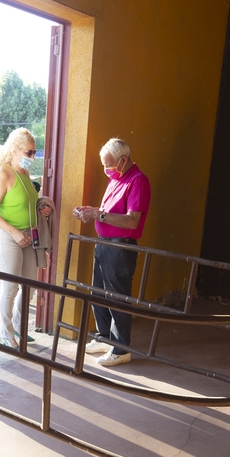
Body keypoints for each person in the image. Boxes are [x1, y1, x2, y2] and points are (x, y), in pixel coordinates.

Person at [72, 138, 151, 366]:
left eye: (109, 164)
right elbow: (109, 211)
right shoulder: (116, 178)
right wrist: (92, 211)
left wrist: (98, 215)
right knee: (98, 292)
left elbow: (132, 221)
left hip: (120, 245)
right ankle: (105, 337)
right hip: (105, 242)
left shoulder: (137, 181)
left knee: (118, 297)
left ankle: (121, 348)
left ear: (123, 161)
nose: (106, 169)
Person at [0, 128, 51, 347]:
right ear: (15, 151)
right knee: (10, 287)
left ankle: (19, 327)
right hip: (8, 236)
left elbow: (28, 203)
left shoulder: (25, 174)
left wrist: (42, 209)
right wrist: (14, 232)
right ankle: (6, 333)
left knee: (29, 286)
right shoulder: (4, 174)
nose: (32, 157)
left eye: (34, 152)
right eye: (29, 152)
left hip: (29, 236)